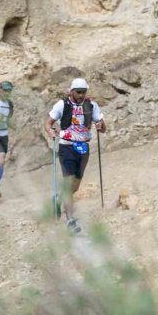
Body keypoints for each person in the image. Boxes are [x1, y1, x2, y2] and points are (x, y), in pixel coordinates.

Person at [44, 78, 107, 233]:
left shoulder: (91, 105)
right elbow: (48, 123)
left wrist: (100, 125)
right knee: (69, 181)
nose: (81, 95)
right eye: (78, 92)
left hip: (83, 147)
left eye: (83, 92)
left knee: (74, 186)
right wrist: (51, 131)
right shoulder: (62, 104)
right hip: (66, 147)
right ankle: (71, 221)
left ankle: (58, 198)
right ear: (71, 91)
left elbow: (103, 127)